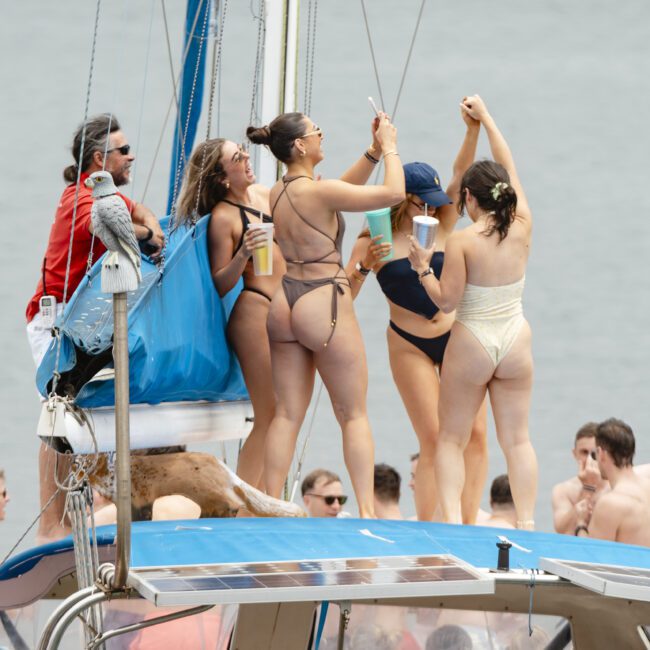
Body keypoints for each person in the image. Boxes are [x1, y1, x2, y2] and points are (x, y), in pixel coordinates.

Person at [247, 111, 404, 517]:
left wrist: (369, 153)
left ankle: (272, 505)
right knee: (353, 413)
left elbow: (337, 192)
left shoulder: (280, 191)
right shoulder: (316, 192)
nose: (322, 134)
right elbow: (394, 194)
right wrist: (389, 148)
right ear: (300, 145)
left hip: (285, 303)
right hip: (323, 299)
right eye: (317, 130)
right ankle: (368, 510)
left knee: (286, 413)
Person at [26, 114, 164, 542]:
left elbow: (133, 210)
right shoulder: (84, 200)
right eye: (124, 151)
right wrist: (149, 235)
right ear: (100, 158)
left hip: (84, 320)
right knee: (59, 412)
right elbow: (106, 226)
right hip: (58, 321)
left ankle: (77, 513)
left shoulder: (99, 193)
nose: (132, 156)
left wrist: (148, 223)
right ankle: (51, 526)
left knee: (83, 411)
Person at [347, 108, 488, 523]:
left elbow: (461, 174)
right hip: (409, 343)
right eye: (421, 197)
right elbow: (344, 294)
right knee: (433, 438)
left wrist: (472, 130)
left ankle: (465, 525)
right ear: (402, 197)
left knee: (476, 435)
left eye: (434, 198)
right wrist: (363, 266)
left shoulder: (443, 219)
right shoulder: (375, 234)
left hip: (455, 334)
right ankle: (430, 527)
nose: (432, 204)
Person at [408, 95, 538, 529]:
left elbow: (445, 301)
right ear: (505, 192)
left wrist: (423, 267)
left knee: (451, 438)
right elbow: (509, 162)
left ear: (467, 197)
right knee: (517, 440)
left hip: (474, 339)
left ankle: (450, 522)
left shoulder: (463, 239)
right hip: (515, 336)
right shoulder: (522, 222)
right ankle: (529, 524)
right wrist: (487, 118)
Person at [175, 139, 286, 488]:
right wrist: (243, 254)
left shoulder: (265, 196)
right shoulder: (224, 218)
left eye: (243, 151)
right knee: (268, 415)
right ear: (222, 177)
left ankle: (266, 497)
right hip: (252, 315)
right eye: (238, 157)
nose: (247, 159)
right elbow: (219, 284)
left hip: (282, 314)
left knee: (285, 414)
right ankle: (242, 505)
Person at [575, 418, 650, 545]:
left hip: (629, 564)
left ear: (601, 453)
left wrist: (581, 524)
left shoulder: (610, 503)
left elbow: (589, 556)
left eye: (594, 455)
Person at [551, 422, 607, 535]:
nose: (589, 459)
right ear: (575, 453)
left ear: (604, 454)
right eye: (584, 452)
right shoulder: (562, 490)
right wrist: (588, 488)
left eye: (594, 453)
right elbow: (564, 532)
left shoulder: (616, 486)